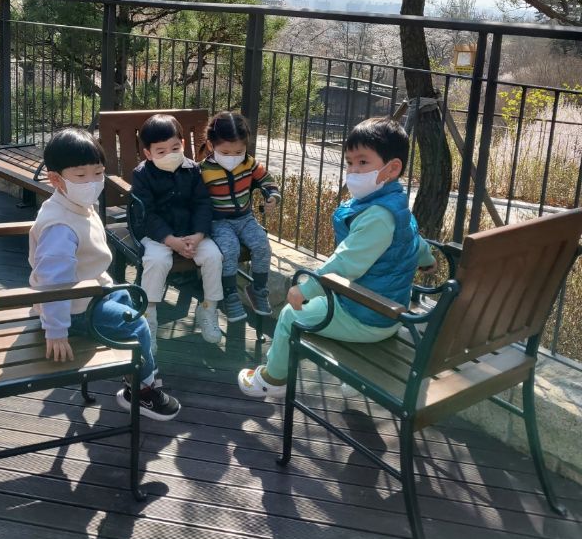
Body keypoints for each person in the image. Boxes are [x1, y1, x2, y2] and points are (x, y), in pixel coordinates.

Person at [237, 116, 436, 399]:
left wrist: (306, 288)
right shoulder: (393, 204)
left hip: (367, 316)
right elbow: (412, 239)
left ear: (392, 168)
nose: (353, 171)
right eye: (349, 163)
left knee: (291, 316)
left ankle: (273, 379)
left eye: (363, 162)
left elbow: (345, 263)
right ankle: (356, 378)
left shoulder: (378, 216)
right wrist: (427, 260)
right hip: (388, 308)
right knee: (318, 305)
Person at [29, 126, 181, 421]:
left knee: (128, 301)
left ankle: (138, 369)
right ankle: (142, 390)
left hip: (90, 292)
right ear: (56, 179)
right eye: (81, 175)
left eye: (98, 173)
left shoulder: (73, 204)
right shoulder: (60, 226)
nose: (92, 182)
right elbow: (53, 282)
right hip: (73, 310)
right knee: (137, 326)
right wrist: (56, 330)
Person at [131, 113, 224, 351]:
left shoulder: (193, 170)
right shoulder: (142, 175)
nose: (170, 155)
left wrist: (199, 234)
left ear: (182, 144)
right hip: (156, 234)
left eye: (175, 148)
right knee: (156, 261)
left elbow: (202, 203)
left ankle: (208, 309)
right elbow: (147, 214)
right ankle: (148, 318)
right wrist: (170, 240)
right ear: (148, 153)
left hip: (191, 233)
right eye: (161, 151)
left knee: (214, 257)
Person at [200, 111, 280, 322]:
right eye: (225, 152)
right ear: (211, 145)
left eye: (238, 151)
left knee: (262, 245)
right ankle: (230, 294)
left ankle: (258, 289)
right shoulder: (203, 170)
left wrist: (272, 196)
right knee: (230, 250)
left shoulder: (249, 163)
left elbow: (267, 180)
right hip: (219, 222)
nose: (232, 158)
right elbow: (196, 200)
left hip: (245, 219)